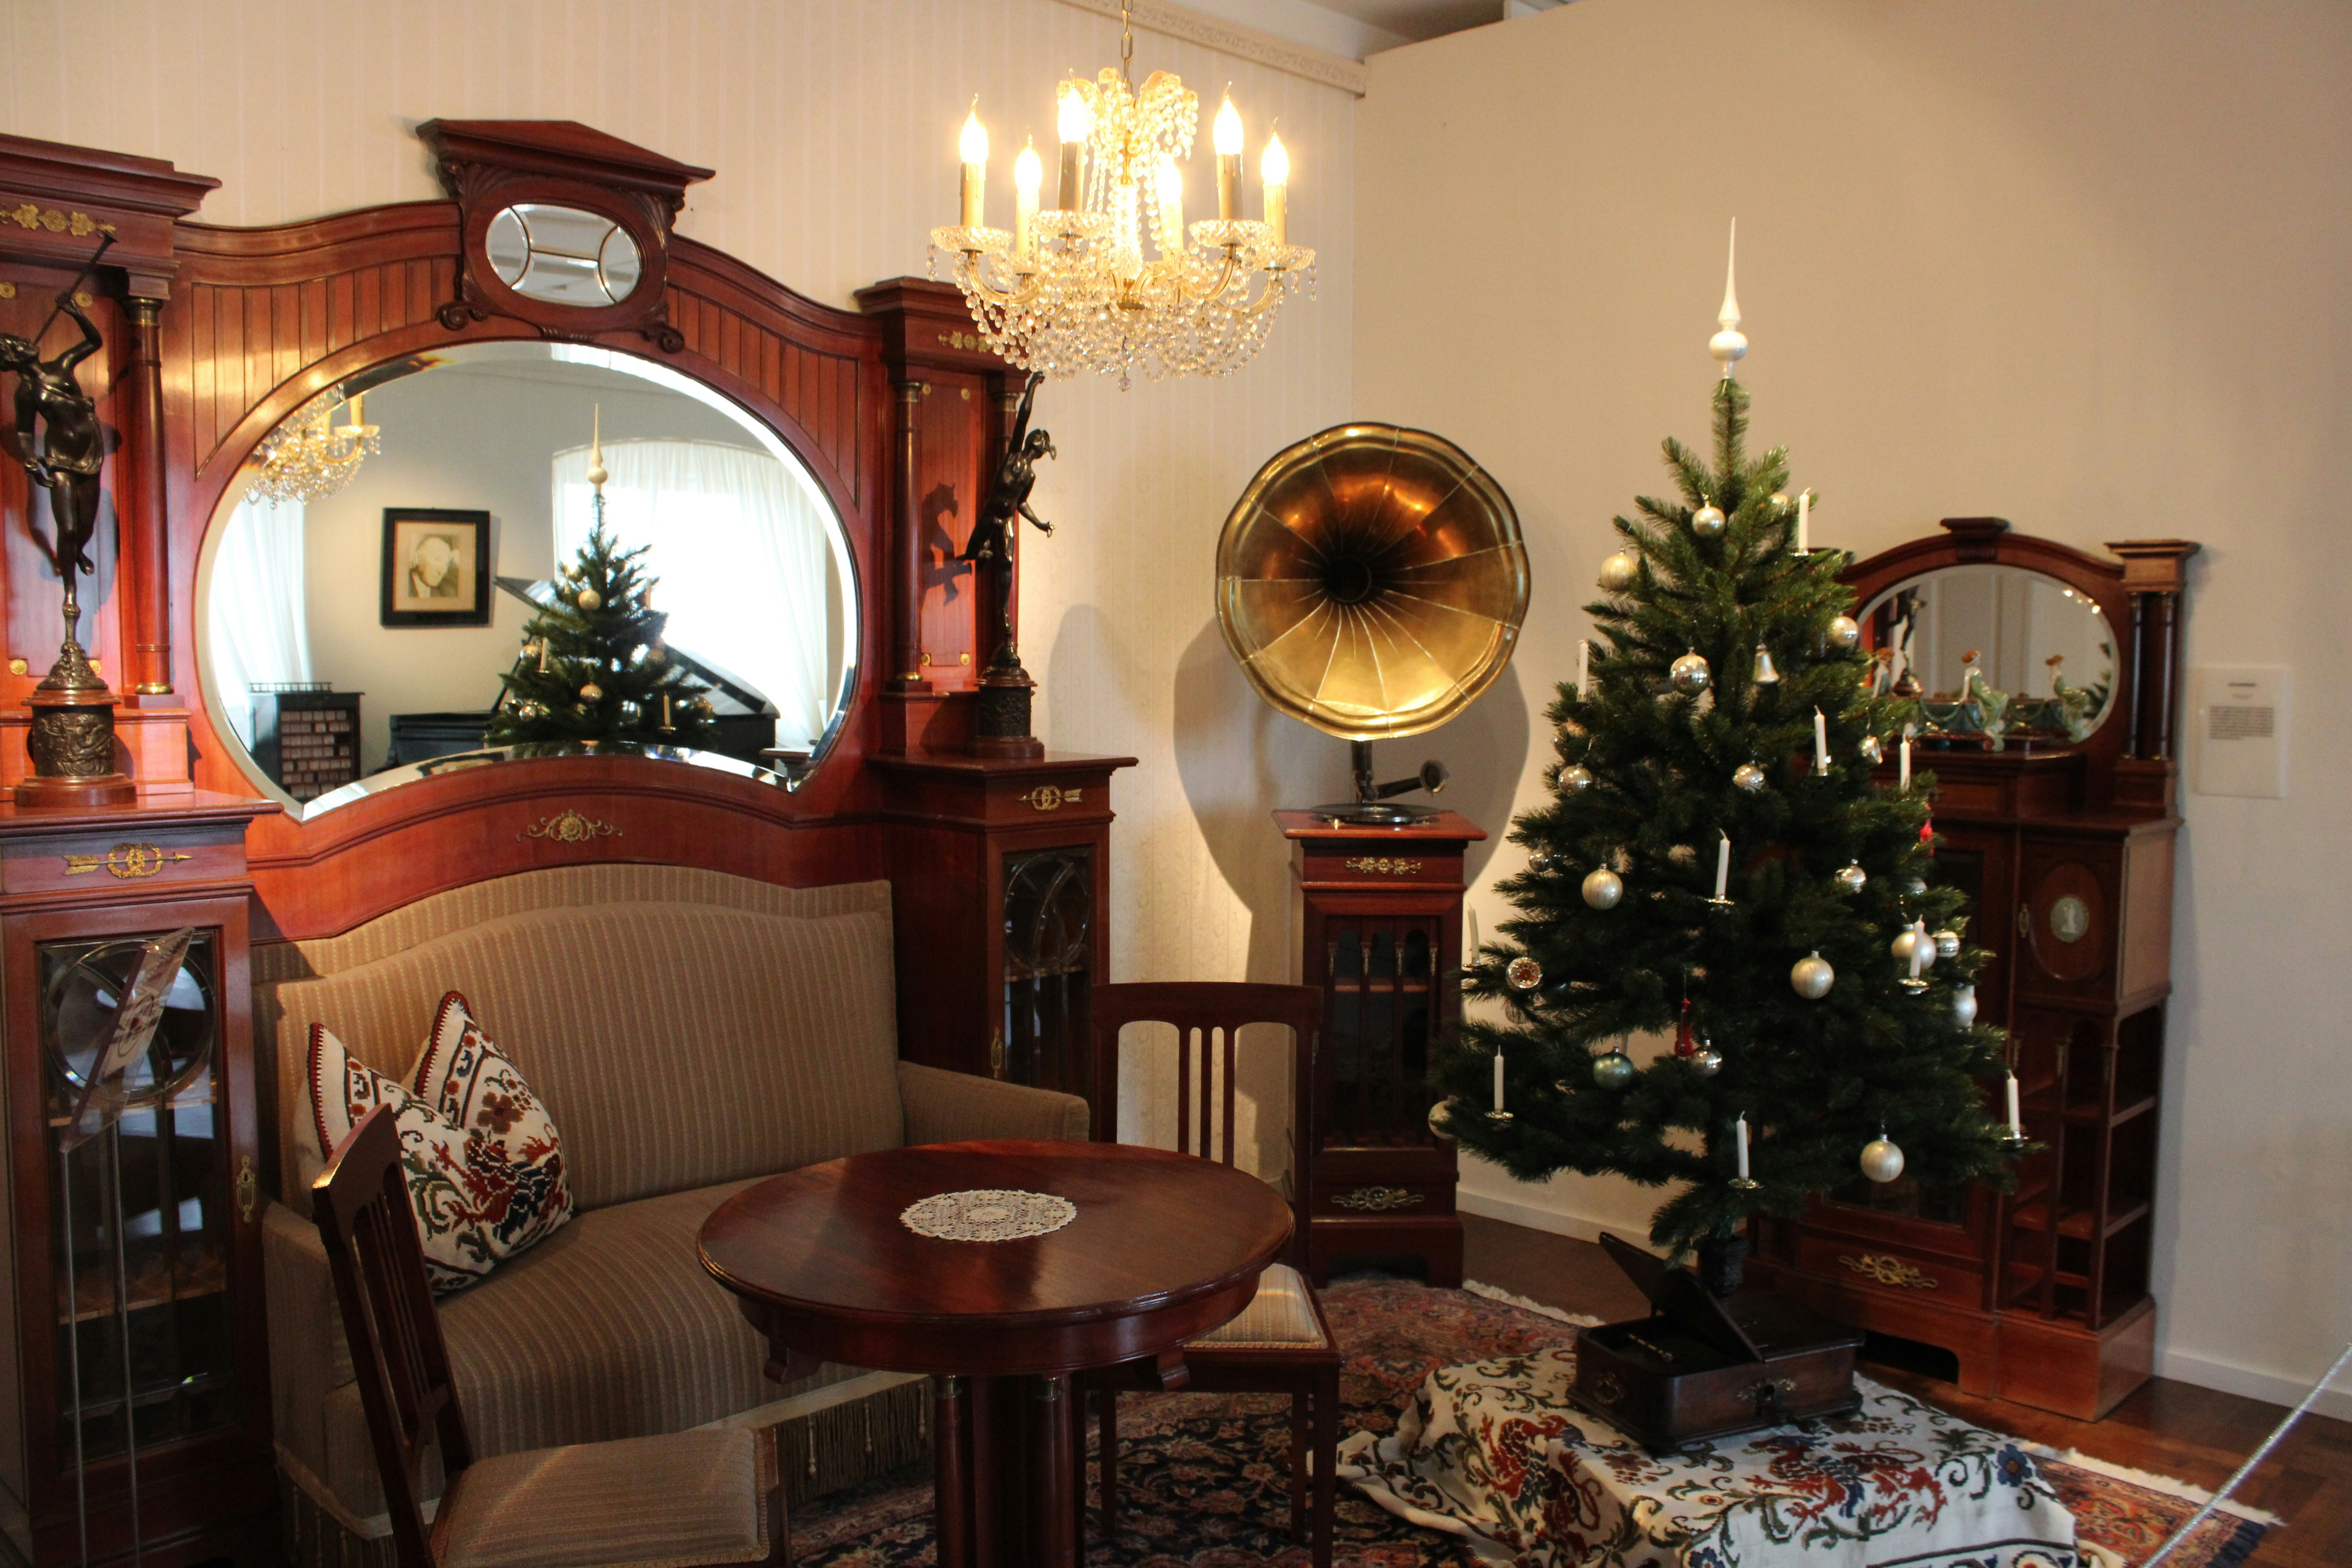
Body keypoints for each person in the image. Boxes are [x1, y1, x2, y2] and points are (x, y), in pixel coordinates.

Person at [408, 532, 462, 599]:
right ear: (418, 557)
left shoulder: (446, 594)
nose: (442, 571)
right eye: (437, 559)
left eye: (446, 564)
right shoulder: (402, 587)